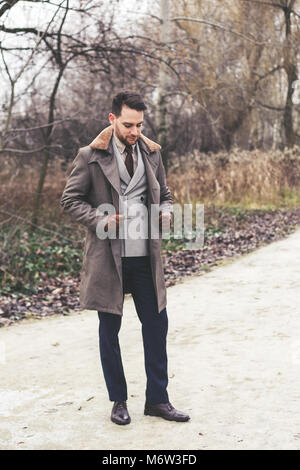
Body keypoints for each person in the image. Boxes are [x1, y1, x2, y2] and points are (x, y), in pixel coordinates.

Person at [61, 91, 190, 425]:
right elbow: (70, 200)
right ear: (112, 119)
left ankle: (158, 400)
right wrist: (101, 220)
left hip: (145, 258)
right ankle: (118, 401)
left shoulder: (152, 153)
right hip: (109, 260)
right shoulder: (89, 156)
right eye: (129, 124)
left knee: (157, 326)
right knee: (110, 331)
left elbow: (165, 193)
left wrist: (165, 211)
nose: (135, 131)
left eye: (139, 125)